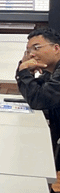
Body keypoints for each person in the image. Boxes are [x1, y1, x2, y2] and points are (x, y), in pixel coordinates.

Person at [16, 27, 60, 168]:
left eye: (36, 48)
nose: (31, 54)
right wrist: (25, 71)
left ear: (56, 48)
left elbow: (38, 99)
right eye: (28, 51)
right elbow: (36, 92)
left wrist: (23, 71)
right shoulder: (51, 71)